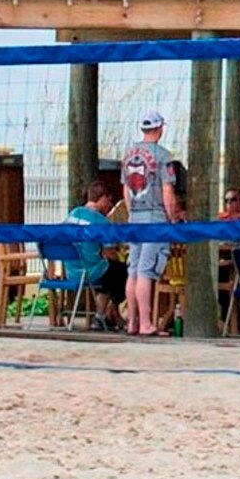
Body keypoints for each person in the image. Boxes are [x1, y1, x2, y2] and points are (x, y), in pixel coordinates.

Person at [120, 110, 182, 337]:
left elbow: (126, 189)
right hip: (155, 219)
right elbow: (167, 190)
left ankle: (132, 322)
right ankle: (146, 323)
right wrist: (172, 217)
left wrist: (131, 214)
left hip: (135, 218)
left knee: (133, 270)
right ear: (159, 129)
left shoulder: (128, 156)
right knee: (146, 271)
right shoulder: (164, 156)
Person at [65, 179, 129, 329]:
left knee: (109, 273)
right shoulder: (101, 222)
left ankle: (107, 315)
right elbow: (109, 252)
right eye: (109, 201)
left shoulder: (72, 215)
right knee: (125, 273)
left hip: (72, 271)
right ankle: (105, 314)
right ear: (103, 197)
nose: (110, 206)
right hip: (92, 272)